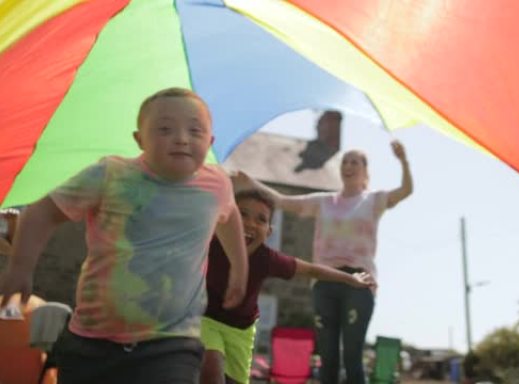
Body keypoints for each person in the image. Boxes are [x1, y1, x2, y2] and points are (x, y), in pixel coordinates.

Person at [0, 87, 249, 384]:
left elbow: (230, 216)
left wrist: (240, 267)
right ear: (139, 139)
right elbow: (43, 212)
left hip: (171, 342)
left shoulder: (216, 185)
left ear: (210, 141)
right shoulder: (111, 175)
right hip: (91, 341)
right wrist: (21, 267)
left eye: (195, 130)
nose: (182, 138)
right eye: (165, 129)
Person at [235, 139, 413, 384]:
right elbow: (283, 201)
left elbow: (405, 190)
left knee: (352, 355)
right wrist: (252, 183)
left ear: (365, 172)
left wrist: (403, 160)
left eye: (355, 161)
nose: (348, 165)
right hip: (324, 281)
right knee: (327, 356)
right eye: (345, 161)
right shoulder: (324, 202)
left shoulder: (373, 201)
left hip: (359, 282)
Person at [200, 189, 376, 384]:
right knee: (211, 367)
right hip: (206, 318)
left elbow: (310, 270)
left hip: (241, 330)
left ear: (269, 232)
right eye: (242, 214)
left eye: (261, 219)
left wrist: (350, 279)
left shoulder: (267, 259)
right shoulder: (210, 243)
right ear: (227, 218)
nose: (250, 223)